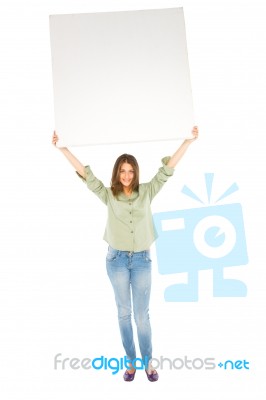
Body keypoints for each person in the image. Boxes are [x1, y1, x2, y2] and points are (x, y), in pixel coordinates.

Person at [52, 126, 199, 381]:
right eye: (123, 171)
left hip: (142, 260)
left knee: (142, 317)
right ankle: (130, 363)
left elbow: (167, 171)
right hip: (116, 261)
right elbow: (87, 176)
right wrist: (63, 147)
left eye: (131, 171)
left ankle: (148, 363)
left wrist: (187, 142)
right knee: (124, 313)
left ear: (136, 173)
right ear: (117, 173)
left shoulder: (147, 191)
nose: (127, 175)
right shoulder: (108, 195)